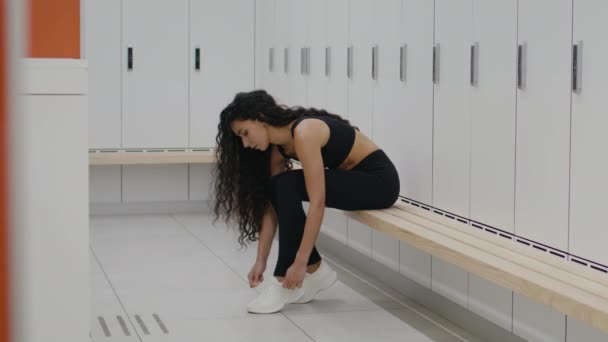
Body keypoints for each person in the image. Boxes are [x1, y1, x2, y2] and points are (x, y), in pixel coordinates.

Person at [211, 90, 400, 314]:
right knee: (279, 186)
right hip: (354, 182)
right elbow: (272, 205)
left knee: (286, 184)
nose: (244, 143)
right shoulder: (278, 148)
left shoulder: (304, 132)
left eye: (245, 133)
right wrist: (261, 260)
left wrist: (299, 262)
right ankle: (317, 270)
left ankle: (283, 281)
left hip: (379, 183)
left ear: (260, 117)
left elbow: (317, 201)